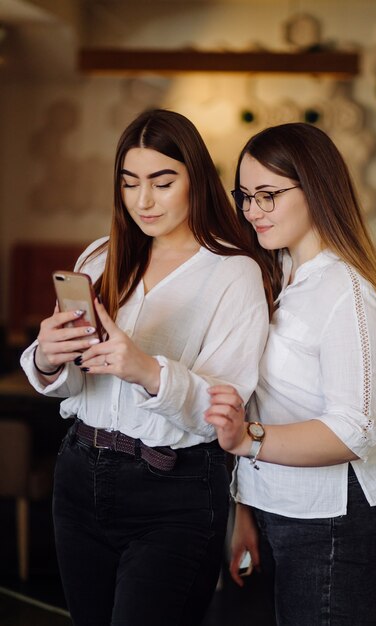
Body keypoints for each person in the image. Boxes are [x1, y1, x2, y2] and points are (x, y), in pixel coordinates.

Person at [20, 109, 272, 626]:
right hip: (79, 475)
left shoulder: (233, 272)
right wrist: (47, 355)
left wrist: (145, 369)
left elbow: (220, 414)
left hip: (173, 490)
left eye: (162, 181)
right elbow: (74, 383)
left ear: (195, 180)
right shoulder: (101, 257)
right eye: (130, 182)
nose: (144, 200)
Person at [205, 122, 376, 625]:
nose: (252, 210)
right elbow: (262, 400)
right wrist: (245, 512)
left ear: (315, 187)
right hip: (277, 505)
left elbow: (353, 429)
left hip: (340, 518)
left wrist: (246, 439)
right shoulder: (276, 274)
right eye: (246, 195)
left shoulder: (346, 289)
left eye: (268, 195)